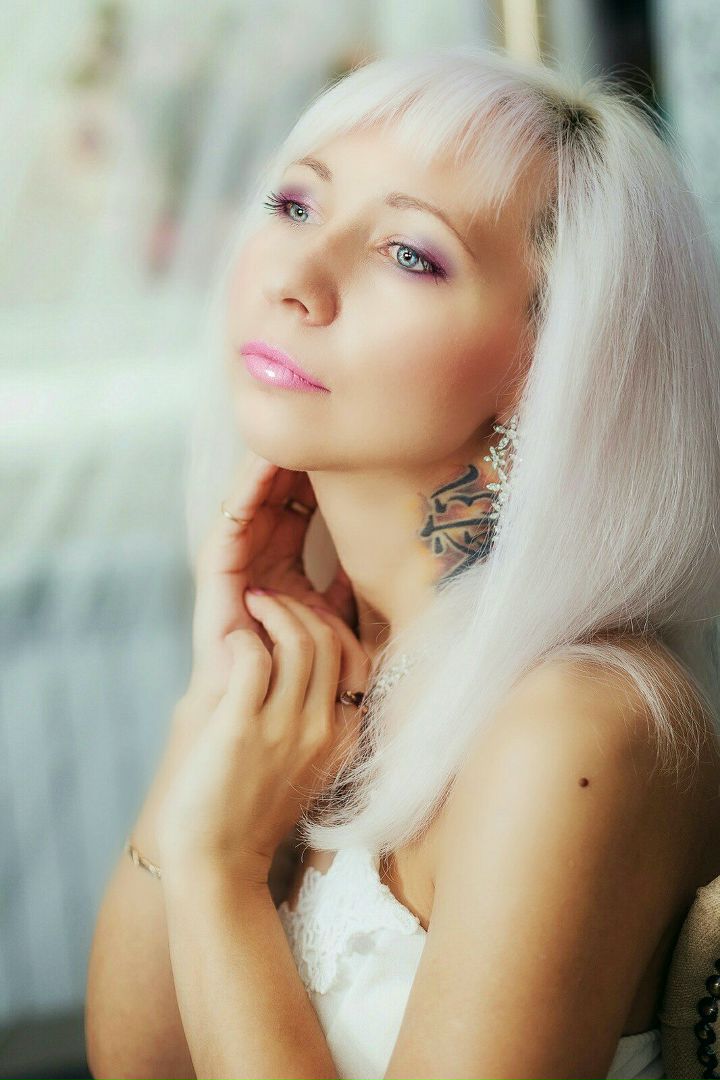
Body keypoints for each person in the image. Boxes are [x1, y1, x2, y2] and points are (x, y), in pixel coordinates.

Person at [86, 44, 720, 1080]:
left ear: (548, 367)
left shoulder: (577, 725)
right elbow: (142, 1067)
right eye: (296, 205)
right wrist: (221, 695)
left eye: (410, 255)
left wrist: (220, 870)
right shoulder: (329, 659)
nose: (295, 278)